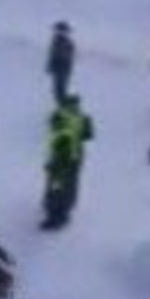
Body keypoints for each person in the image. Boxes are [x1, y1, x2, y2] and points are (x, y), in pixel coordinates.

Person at [42, 95, 94, 231]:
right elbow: (88, 135)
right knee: (70, 183)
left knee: (55, 183)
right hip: (76, 155)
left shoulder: (58, 115)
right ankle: (65, 208)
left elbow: (53, 129)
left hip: (60, 155)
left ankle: (54, 214)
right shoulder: (84, 117)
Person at [47, 21, 76, 104]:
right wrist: (50, 65)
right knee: (58, 88)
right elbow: (52, 54)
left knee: (61, 87)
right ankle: (61, 103)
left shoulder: (66, 43)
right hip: (59, 67)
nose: (58, 32)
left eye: (61, 31)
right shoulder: (56, 41)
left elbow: (68, 57)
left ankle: (62, 104)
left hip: (63, 66)